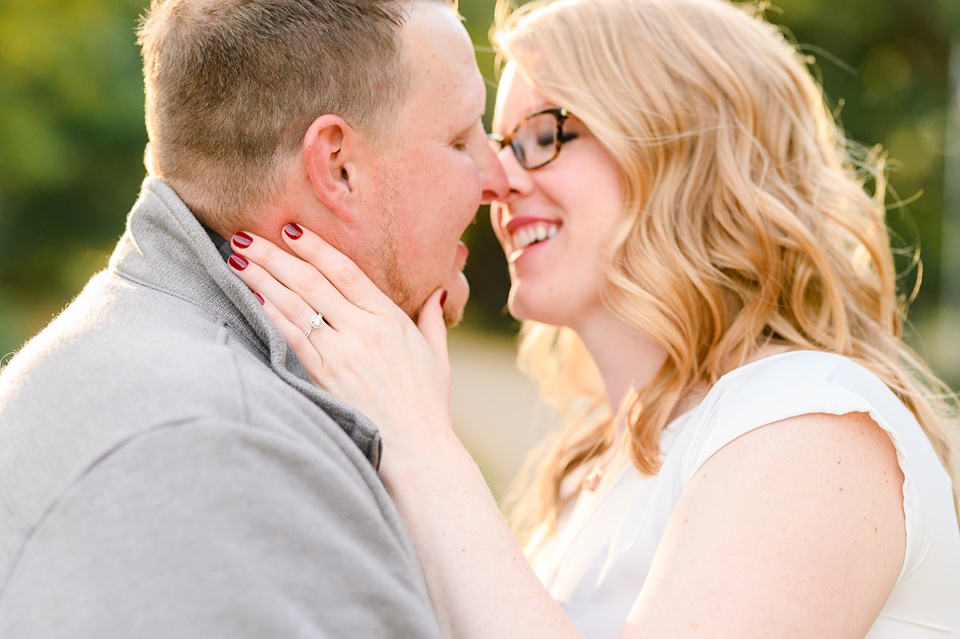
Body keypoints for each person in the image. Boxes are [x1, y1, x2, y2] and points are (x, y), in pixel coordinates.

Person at [228, 0, 960, 636]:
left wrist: (420, 439)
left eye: (543, 134)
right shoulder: (584, 471)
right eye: (498, 143)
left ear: (678, 143)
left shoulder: (811, 423)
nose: (499, 182)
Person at [0, 0, 507, 636]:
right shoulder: (217, 455)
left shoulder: (138, 360)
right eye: (461, 139)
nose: (498, 177)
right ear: (337, 168)